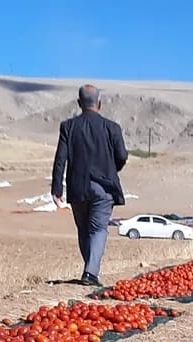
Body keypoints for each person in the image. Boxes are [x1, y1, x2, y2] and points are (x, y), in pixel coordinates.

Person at [51, 85, 128, 287]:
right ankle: (90, 273)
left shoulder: (68, 127)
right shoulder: (112, 128)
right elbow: (122, 156)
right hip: (104, 187)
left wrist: (56, 189)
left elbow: (60, 159)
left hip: (78, 187)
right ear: (100, 103)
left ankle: (89, 270)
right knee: (99, 229)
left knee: (84, 229)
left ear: (79, 104)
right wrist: (111, 169)